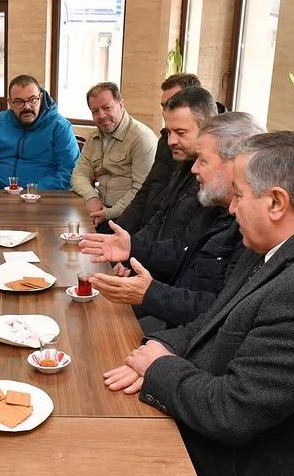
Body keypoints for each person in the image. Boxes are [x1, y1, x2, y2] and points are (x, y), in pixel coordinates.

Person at [103, 131, 294, 476]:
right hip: (204, 419)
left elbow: (233, 411)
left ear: (276, 202)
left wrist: (159, 369)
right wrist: (157, 346)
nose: (232, 206)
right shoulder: (271, 245)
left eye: (240, 195)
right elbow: (211, 322)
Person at [82, 112, 263, 330]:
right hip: (173, 323)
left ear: (235, 165)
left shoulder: (253, 229)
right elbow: (181, 251)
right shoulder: (212, 205)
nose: (194, 168)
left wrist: (149, 292)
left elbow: (220, 310)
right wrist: (132, 246)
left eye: (202, 160)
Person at [116, 73, 203, 234]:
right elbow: (147, 190)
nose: (168, 111)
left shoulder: (209, 155)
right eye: (164, 105)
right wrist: (118, 233)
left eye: (174, 103)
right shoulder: (166, 141)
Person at [70, 82, 157, 229]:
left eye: (106, 108)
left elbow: (141, 191)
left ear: (121, 104)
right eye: (95, 111)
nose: (101, 115)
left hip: (129, 217)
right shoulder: (94, 137)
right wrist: (91, 197)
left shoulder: (141, 138)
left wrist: (108, 213)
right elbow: (79, 174)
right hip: (99, 211)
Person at [0, 74, 79, 190]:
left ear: (40, 98)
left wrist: (33, 191)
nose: (27, 107)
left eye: (32, 100)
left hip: (42, 196)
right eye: (18, 102)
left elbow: (70, 170)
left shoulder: (59, 126)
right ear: (10, 103)